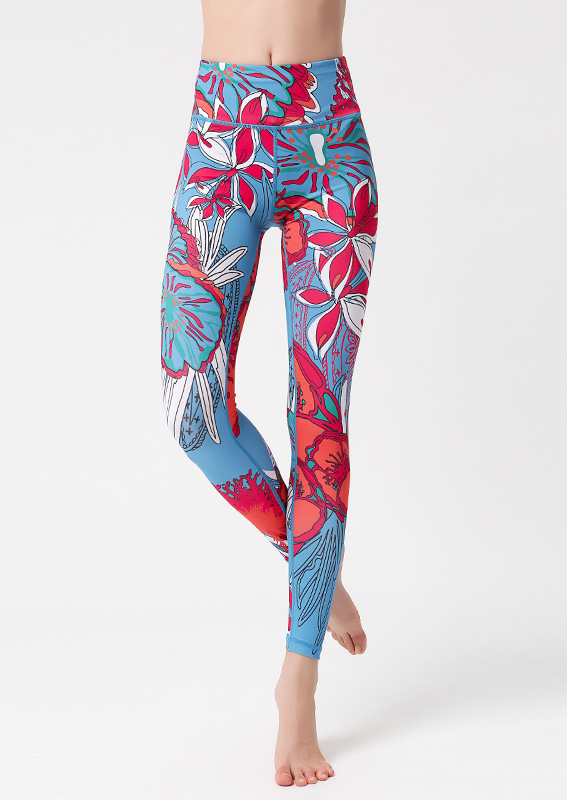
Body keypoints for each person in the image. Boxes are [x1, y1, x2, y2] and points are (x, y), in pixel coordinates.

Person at [159, 0, 378, 787]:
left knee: (320, 418)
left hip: (329, 142)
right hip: (224, 134)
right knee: (193, 411)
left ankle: (299, 678)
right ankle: (313, 563)